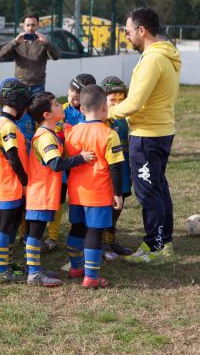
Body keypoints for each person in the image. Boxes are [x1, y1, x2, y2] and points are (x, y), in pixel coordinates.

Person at [109, 7, 181, 264]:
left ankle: (154, 247)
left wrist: (110, 112)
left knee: (149, 192)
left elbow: (136, 102)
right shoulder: (166, 54)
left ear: (142, 30)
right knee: (159, 189)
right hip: (160, 131)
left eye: (128, 31)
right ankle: (164, 243)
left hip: (147, 136)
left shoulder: (153, 59)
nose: (126, 36)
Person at [25, 92, 94, 287]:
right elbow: (55, 164)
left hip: (44, 193)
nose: (60, 107)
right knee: (36, 233)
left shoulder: (50, 133)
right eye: (56, 105)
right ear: (47, 114)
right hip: (40, 193)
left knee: (36, 232)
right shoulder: (45, 137)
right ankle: (34, 273)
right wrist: (81, 158)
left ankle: (35, 268)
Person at [65, 85, 124, 289]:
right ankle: (91, 277)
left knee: (77, 228)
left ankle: (75, 267)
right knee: (94, 233)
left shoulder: (71, 132)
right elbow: (116, 167)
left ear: (81, 109)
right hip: (98, 193)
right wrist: (118, 193)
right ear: (104, 109)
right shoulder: (109, 134)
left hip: (76, 192)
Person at [44, 73, 96, 252]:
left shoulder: (89, 113)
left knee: (86, 203)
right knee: (57, 202)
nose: (73, 100)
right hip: (63, 165)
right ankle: (52, 236)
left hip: (84, 167)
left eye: (77, 98)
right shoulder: (61, 110)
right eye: (71, 94)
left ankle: (98, 238)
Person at [0, 78, 30, 283]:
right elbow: (12, 157)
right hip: (11, 184)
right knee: (6, 226)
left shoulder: (1, 121)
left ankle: (7, 262)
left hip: (10, 184)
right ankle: (1, 269)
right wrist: (24, 181)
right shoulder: (7, 125)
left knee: (13, 224)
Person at [101, 76, 135, 260]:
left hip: (122, 171)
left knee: (117, 208)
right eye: (112, 100)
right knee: (106, 209)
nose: (117, 104)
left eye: (121, 100)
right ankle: (103, 244)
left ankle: (112, 241)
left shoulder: (123, 119)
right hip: (107, 174)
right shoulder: (101, 120)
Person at [0, 13, 60, 94]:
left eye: (33, 25)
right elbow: (2, 54)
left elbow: (56, 57)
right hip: (20, 84)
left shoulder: (43, 42)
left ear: (37, 25)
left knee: (37, 107)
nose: (30, 28)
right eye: (28, 25)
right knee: (21, 107)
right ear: (23, 26)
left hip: (38, 85)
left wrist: (47, 44)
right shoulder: (17, 41)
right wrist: (15, 42)